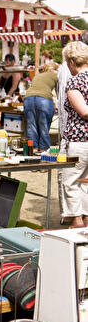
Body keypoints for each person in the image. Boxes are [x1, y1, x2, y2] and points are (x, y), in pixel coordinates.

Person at [59, 41, 88, 228]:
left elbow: (84, 112)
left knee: (70, 181)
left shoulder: (75, 81)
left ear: (71, 62)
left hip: (79, 140)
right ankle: (85, 221)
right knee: (85, 183)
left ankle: (77, 221)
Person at [23, 62, 59, 151]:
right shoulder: (55, 75)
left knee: (31, 126)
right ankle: (44, 150)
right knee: (44, 126)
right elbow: (59, 93)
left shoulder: (37, 76)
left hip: (28, 99)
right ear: (53, 69)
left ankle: (33, 149)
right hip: (44, 100)